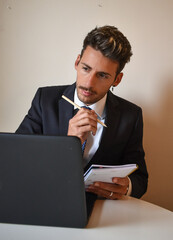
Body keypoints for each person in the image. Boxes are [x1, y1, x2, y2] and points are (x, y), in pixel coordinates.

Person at [16, 25, 148, 200]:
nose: (89, 83)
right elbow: (17, 160)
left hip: (103, 210)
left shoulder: (131, 116)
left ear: (117, 79)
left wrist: (126, 187)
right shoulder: (45, 100)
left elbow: (140, 179)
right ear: (77, 62)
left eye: (102, 75)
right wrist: (69, 142)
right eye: (86, 68)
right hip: (45, 199)